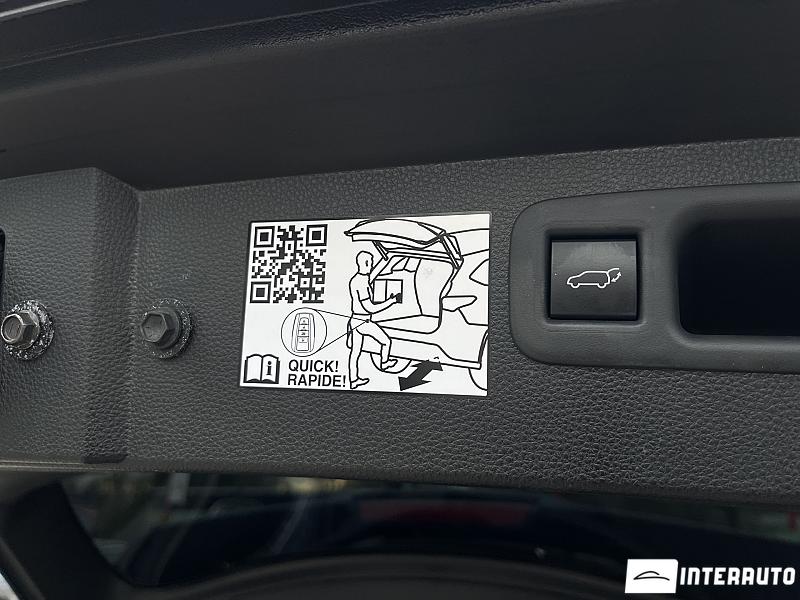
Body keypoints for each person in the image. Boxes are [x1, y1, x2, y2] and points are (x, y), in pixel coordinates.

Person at [348, 251, 399, 389]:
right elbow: (370, 307)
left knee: (355, 352)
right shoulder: (361, 282)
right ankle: (384, 363)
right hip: (363, 322)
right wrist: (390, 301)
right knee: (386, 341)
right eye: (370, 263)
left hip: (355, 320)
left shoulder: (357, 279)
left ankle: (353, 380)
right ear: (365, 263)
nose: (371, 266)